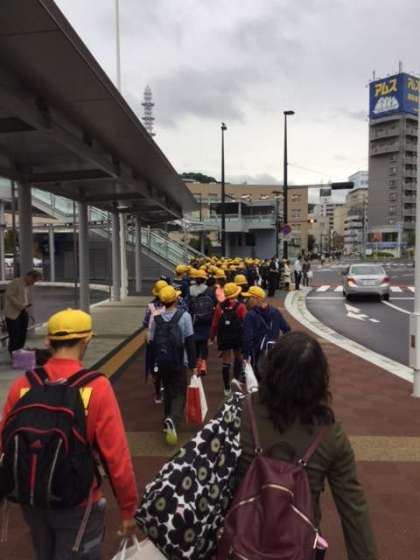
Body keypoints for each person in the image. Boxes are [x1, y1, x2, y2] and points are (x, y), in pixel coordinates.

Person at [0, 308, 138, 559]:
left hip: (32, 499)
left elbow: (4, 442)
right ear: (86, 341)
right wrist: (128, 509)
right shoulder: (97, 387)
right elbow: (116, 457)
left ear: (48, 341)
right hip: (79, 503)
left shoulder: (24, 384)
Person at [238, 332, 377, 560]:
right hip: (299, 546)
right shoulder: (330, 435)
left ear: (270, 370)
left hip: (241, 541)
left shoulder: (242, 413)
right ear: (319, 380)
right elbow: (353, 509)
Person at [149, 285, 196, 445]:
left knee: (168, 389)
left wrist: (153, 365)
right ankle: (172, 418)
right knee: (180, 393)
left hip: (162, 361)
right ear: (176, 299)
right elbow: (190, 342)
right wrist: (193, 364)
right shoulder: (185, 316)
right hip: (179, 361)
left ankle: (166, 421)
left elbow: (152, 342)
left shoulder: (156, 318)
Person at [242, 286, 290, 376]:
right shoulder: (275, 312)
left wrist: (246, 356)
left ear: (255, 299)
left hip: (256, 353)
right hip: (273, 352)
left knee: (257, 379)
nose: (245, 300)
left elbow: (247, 338)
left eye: (248, 298)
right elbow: (286, 329)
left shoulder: (250, 315)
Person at [210, 282, 247, 397]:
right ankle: (235, 379)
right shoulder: (241, 306)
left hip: (224, 336)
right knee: (238, 357)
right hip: (237, 336)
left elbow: (215, 324)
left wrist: (212, 337)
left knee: (226, 361)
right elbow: (245, 322)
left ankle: (226, 387)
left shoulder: (219, 306)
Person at [5, 269, 41, 355]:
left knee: (23, 333)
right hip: (13, 313)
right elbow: (10, 295)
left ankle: (20, 351)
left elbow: (25, 297)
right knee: (15, 334)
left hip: (23, 311)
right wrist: (20, 306)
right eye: (33, 281)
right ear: (29, 277)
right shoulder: (15, 282)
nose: (33, 283)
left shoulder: (27, 286)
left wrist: (27, 306)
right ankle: (14, 354)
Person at [143, 279, 168, 404]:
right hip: (168, 341)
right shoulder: (171, 305)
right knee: (168, 364)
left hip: (153, 342)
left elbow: (145, 323)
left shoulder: (150, 306)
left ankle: (158, 394)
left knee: (154, 367)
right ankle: (167, 390)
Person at [189, 269, 216, 376]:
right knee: (204, 342)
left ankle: (196, 363)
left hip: (194, 319)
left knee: (195, 342)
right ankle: (203, 363)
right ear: (205, 279)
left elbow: (188, 305)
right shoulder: (209, 290)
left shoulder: (190, 289)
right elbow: (214, 304)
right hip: (207, 320)